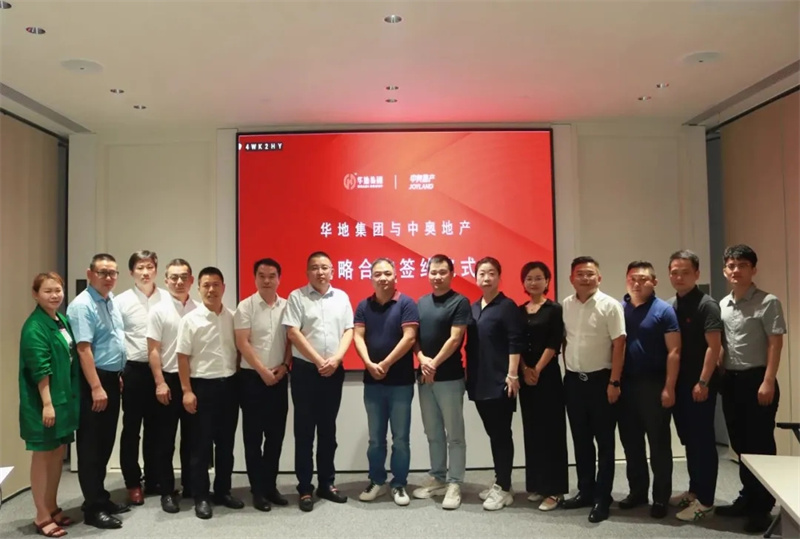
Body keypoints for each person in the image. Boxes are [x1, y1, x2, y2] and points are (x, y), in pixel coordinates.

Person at [716, 244, 786, 534]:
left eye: (742, 265)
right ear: (725, 270)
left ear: (753, 269)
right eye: (731, 266)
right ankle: (747, 497)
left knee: (760, 445)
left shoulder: (768, 302)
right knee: (741, 445)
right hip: (731, 383)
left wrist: (768, 380)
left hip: (758, 380)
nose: (736, 270)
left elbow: (775, 344)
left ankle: (763, 507)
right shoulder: (722, 304)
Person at [282, 251, 354, 512]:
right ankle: (304, 487)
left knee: (328, 430)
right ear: (307, 272)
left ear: (333, 271)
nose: (320, 272)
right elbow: (293, 333)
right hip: (305, 371)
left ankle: (327, 483)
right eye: (314, 267)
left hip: (333, 370)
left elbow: (349, 330)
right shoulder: (297, 297)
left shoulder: (342, 297)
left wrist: (336, 359)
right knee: (304, 432)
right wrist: (318, 361)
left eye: (324, 267)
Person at [560, 256, 625, 523]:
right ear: (571, 278)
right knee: (581, 440)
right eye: (580, 274)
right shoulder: (566, 304)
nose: (585, 278)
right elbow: (566, 340)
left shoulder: (610, 305)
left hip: (602, 382)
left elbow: (619, 344)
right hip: (574, 382)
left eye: (590, 274)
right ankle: (585, 491)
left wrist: (614, 382)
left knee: (605, 443)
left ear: (599, 277)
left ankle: (602, 497)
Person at [176, 267, 244, 520]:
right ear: (199, 288)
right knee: (200, 447)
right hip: (201, 387)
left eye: (216, 284)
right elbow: (182, 358)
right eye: (206, 285)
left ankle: (223, 491)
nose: (211, 290)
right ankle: (201, 496)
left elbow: (239, 352)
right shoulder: (190, 320)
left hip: (229, 387)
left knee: (226, 445)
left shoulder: (233, 317)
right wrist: (186, 391)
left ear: (223, 287)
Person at [67, 253, 128, 529]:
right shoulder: (83, 305)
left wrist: (116, 375)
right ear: (90, 274)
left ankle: (99, 497)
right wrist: (96, 386)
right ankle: (93, 509)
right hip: (95, 382)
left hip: (111, 379)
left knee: (104, 443)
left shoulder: (109, 299)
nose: (109, 277)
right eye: (103, 272)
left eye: (113, 273)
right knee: (91, 446)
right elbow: (84, 349)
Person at [354, 258, 419, 507]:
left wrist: (386, 363)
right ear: (371, 278)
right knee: (375, 439)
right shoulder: (363, 306)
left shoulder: (406, 303)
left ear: (395, 277)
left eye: (387, 273)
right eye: (378, 274)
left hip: (400, 383)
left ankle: (399, 483)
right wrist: (369, 363)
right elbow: (358, 337)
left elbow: (409, 337)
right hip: (372, 382)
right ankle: (377, 481)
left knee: (400, 438)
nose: (383, 278)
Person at [617, 261, 680, 519]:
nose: (637, 283)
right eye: (633, 278)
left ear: (654, 282)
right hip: (625, 385)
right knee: (631, 444)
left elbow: (674, 351)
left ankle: (661, 497)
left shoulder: (664, 310)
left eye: (643, 279)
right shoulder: (618, 309)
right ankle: (638, 492)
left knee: (659, 445)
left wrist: (669, 387)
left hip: (654, 385)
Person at [19, 272, 80, 538]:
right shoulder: (34, 326)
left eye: (58, 290)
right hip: (44, 403)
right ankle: (41, 515)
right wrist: (47, 404)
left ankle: (53, 506)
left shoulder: (60, 320)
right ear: (35, 294)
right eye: (47, 291)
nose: (54, 295)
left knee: (57, 453)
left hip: (63, 399)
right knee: (43, 455)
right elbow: (40, 369)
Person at [666, 250, 723, 522]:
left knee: (702, 441)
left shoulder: (707, 305)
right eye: (674, 272)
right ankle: (694, 490)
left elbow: (714, 347)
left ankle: (707, 501)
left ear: (697, 274)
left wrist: (703, 381)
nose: (679, 277)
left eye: (685, 272)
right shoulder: (671, 305)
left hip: (699, 385)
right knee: (689, 439)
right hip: (679, 385)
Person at [411, 254, 471, 510]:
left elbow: (455, 339)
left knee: (454, 434)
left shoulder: (460, 302)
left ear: (452, 274)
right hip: (425, 377)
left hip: (449, 378)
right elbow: (413, 338)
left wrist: (433, 363)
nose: (437, 277)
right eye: (433, 272)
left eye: (442, 272)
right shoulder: (421, 302)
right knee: (433, 432)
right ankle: (438, 477)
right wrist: (422, 359)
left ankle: (455, 482)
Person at [465, 257, 524, 511]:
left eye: (491, 273)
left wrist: (512, 375)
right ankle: (502, 481)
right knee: (493, 433)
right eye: (481, 273)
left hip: (501, 381)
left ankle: (504, 486)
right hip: (479, 381)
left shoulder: (507, 306)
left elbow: (515, 342)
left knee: (501, 434)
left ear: (499, 277)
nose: (486, 278)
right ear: (476, 277)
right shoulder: (474, 307)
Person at [235, 258, 291, 512]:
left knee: (275, 437)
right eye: (261, 275)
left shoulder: (287, 306)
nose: (267, 280)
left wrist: (285, 366)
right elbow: (243, 342)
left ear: (279, 278)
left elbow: (291, 340)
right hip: (252, 380)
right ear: (255, 278)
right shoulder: (245, 306)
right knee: (253, 438)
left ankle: (270, 486)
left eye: (271, 276)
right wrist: (262, 372)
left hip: (279, 378)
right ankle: (257, 490)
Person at [115, 250, 169, 504]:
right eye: (140, 268)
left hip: (162, 371)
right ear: (131, 272)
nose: (145, 272)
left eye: (149, 267)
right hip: (134, 370)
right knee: (132, 429)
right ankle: (132, 482)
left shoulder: (167, 298)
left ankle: (154, 477)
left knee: (157, 428)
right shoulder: (121, 302)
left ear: (156, 270)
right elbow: (116, 338)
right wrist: (118, 371)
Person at [146, 258, 198, 513]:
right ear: (166, 281)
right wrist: (159, 383)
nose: (179, 282)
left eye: (183, 277)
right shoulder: (158, 310)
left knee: (193, 438)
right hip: (168, 380)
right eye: (174, 277)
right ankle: (167, 491)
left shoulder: (199, 309)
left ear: (191, 280)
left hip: (194, 382)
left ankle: (191, 486)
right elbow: (153, 350)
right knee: (165, 440)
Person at [517, 261, 568, 512]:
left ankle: (555, 490)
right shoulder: (520, 310)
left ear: (547, 281)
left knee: (552, 432)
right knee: (532, 430)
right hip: (526, 377)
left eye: (538, 278)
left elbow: (554, 342)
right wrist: (524, 369)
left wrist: (536, 369)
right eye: (529, 278)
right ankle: (538, 484)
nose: (533, 282)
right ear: (523, 282)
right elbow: (516, 343)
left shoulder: (554, 309)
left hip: (547, 377)